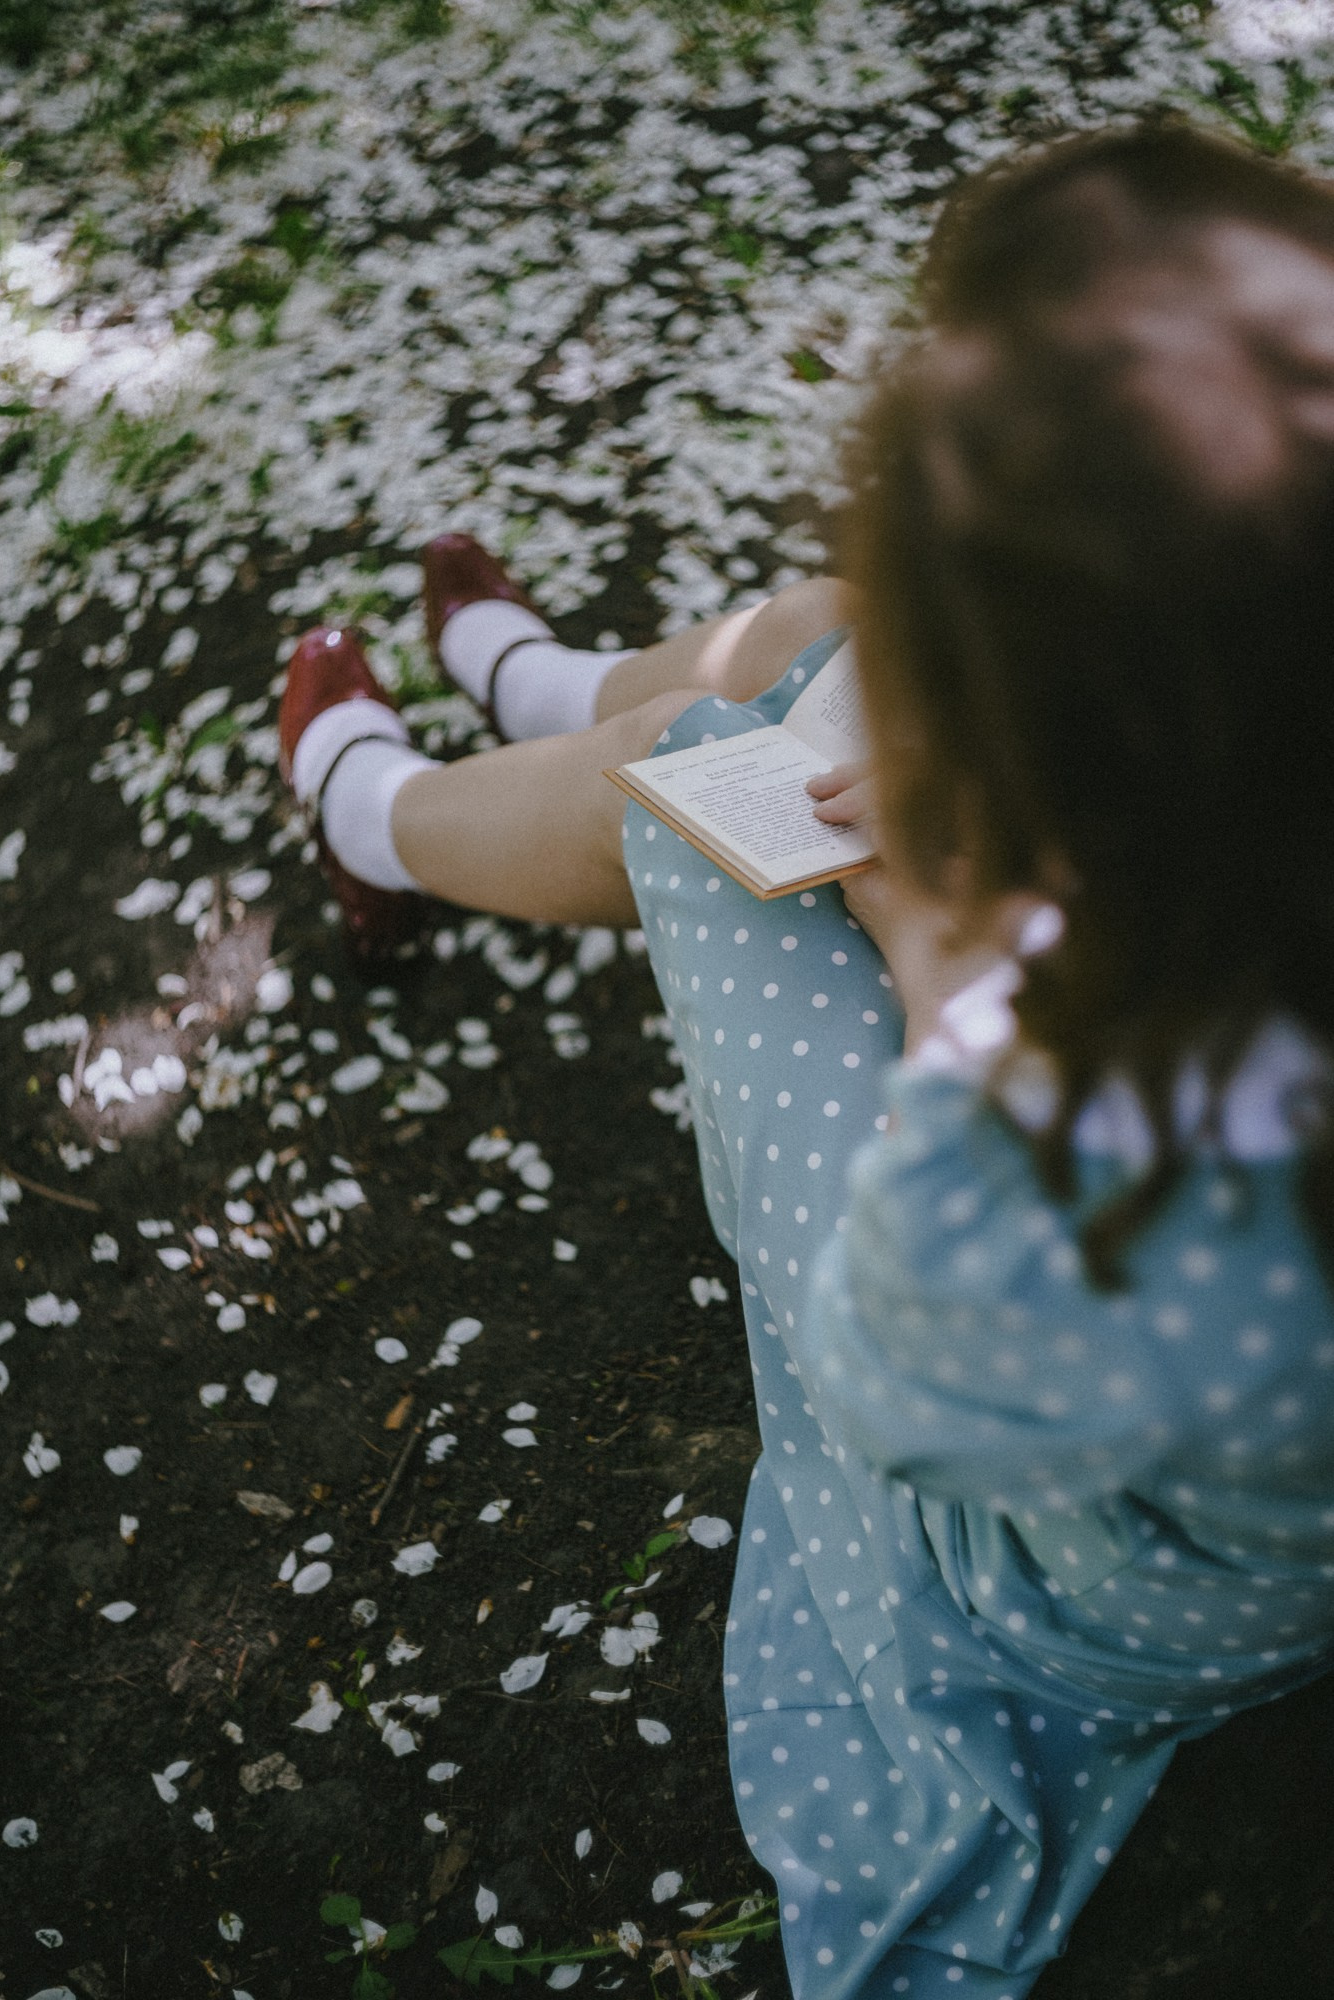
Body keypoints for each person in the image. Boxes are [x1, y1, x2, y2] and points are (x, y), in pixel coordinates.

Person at [278, 119, 1334, 1998]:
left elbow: (895, 1382)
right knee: (823, 657)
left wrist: (940, 954)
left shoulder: (1079, 1186)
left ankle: (380, 820)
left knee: (706, 779)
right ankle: (548, 688)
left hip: (1064, 1569)